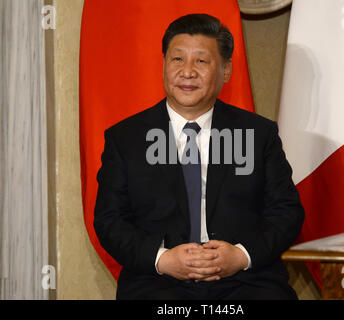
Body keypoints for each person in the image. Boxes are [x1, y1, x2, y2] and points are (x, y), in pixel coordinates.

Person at [94, 13, 305, 300]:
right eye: (177, 59)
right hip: (158, 282)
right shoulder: (126, 138)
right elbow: (110, 220)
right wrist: (162, 259)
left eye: (201, 61)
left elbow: (286, 212)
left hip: (246, 281)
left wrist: (241, 256)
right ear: (164, 64)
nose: (187, 72)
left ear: (226, 70)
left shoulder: (258, 133)